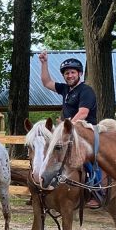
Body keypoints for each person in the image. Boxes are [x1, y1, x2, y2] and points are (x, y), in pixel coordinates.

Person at [39, 52, 100, 206]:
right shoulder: (66, 89)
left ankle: (96, 190)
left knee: (89, 158)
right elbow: (46, 82)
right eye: (67, 73)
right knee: (50, 151)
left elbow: (83, 113)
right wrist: (44, 63)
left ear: (79, 73)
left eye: (73, 72)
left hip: (86, 130)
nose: (70, 75)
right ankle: (46, 182)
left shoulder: (86, 91)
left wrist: (66, 128)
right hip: (69, 130)